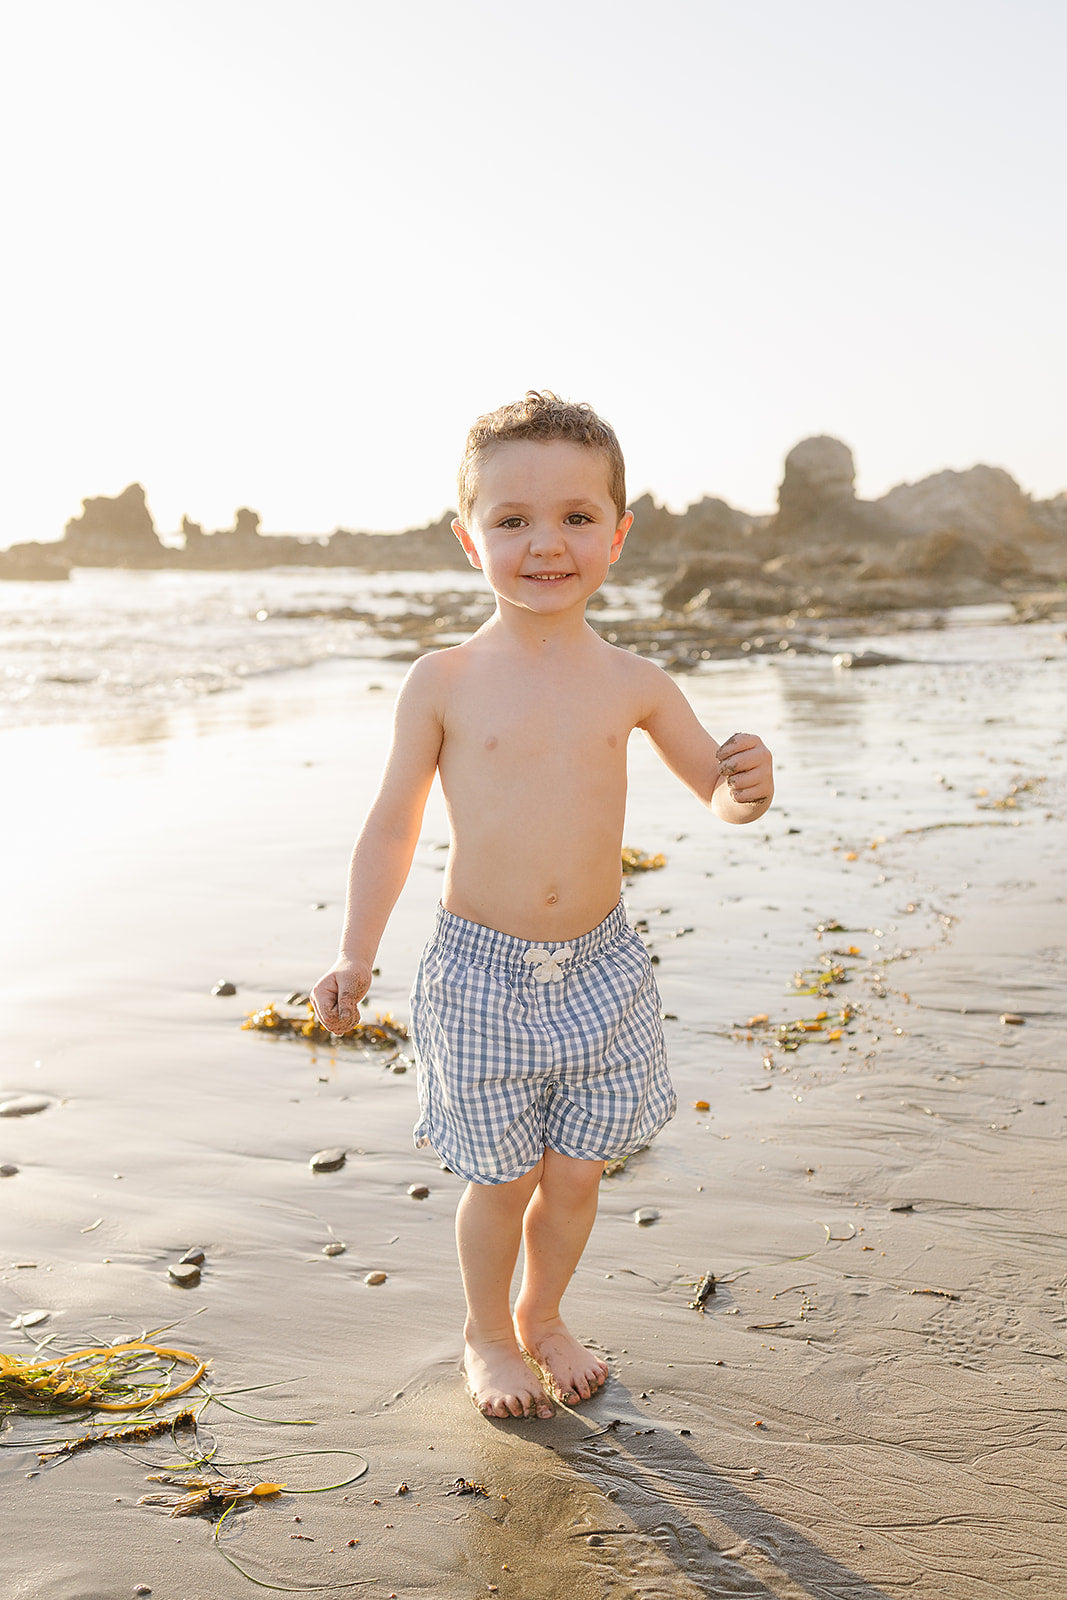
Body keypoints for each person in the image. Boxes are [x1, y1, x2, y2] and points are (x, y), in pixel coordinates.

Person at [311, 391, 774, 1421]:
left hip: (603, 971)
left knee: (574, 1175)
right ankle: (485, 1334)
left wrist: (748, 783)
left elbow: (718, 792)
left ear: (617, 532)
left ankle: (544, 1314)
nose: (544, 543)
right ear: (467, 536)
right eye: (511, 519)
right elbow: (391, 827)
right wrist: (355, 953)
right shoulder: (443, 680)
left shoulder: (633, 681)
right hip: (480, 973)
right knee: (503, 1179)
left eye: (573, 516)